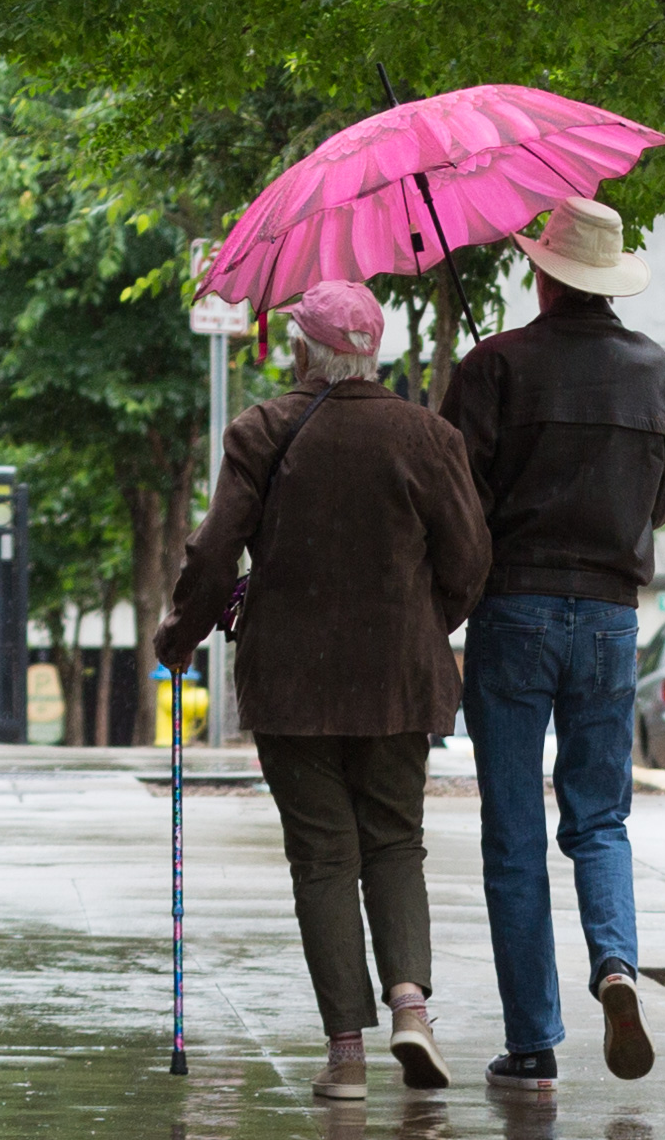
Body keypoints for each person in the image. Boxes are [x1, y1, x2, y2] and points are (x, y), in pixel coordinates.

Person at [155, 279, 492, 1100]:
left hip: (291, 681)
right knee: (394, 840)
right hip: (398, 682)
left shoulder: (263, 429)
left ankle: (345, 1055)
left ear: (302, 349)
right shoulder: (428, 436)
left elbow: (213, 553)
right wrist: (419, 618)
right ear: (370, 353)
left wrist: (179, 634)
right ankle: (410, 1003)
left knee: (322, 858)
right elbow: (470, 563)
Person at [439, 197, 665, 1091]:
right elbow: (663, 498)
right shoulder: (659, 371)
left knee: (511, 831)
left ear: (543, 274)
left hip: (514, 612)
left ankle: (533, 1039)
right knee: (598, 817)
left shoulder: (493, 363)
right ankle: (616, 965)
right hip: (612, 618)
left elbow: (455, 500)